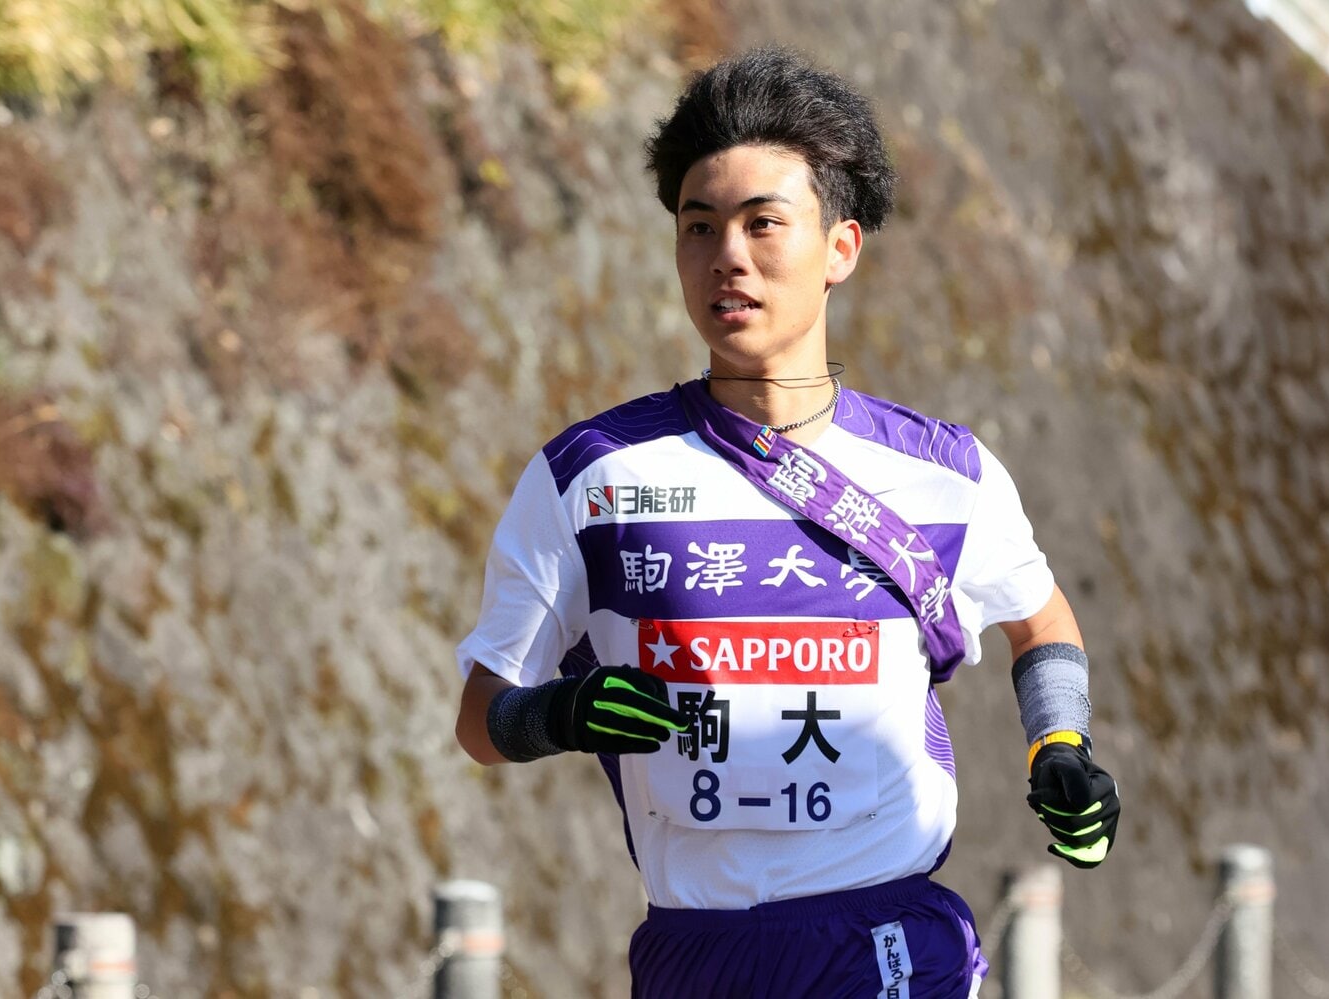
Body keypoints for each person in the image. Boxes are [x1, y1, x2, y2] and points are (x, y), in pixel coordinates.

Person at [454, 46, 1120, 998]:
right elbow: (482, 719)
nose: (728, 255)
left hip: (888, 942)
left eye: (764, 223)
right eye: (699, 227)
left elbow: (1040, 620)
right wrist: (557, 714)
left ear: (841, 247)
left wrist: (1060, 745)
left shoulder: (943, 475)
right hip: (696, 954)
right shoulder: (590, 478)